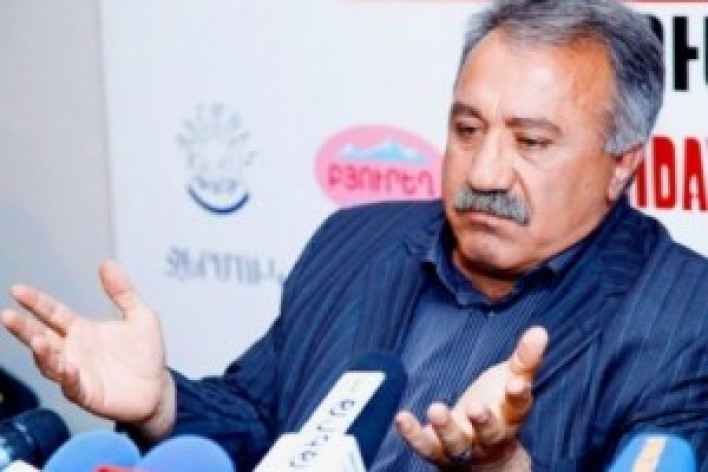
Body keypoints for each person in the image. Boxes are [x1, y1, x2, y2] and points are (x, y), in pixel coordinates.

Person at [3, 0, 707, 470]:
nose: (485, 171)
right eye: (467, 129)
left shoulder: (684, 317)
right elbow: (259, 422)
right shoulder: (357, 242)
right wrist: (162, 402)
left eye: (531, 142)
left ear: (621, 165)